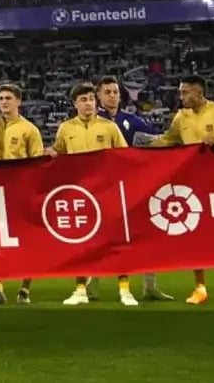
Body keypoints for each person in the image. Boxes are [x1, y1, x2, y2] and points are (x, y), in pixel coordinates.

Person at [152, 74, 214, 307]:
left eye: (185, 92)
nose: (181, 96)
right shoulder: (181, 117)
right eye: (180, 92)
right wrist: (138, 150)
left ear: (199, 92)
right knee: (196, 237)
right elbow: (169, 140)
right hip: (193, 184)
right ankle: (200, 288)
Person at [49, 83, 138, 308]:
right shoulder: (66, 128)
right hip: (80, 193)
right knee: (80, 244)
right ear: (75, 104)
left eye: (90, 99)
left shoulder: (109, 127)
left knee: (116, 241)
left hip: (107, 191)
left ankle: (125, 290)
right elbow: (59, 154)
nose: (88, 103)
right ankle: (80, 290)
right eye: (83, 100)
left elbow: (125, 156)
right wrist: (50, 153)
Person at [95, 76, 171, 302]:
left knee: (144, 234)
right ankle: (90, 284)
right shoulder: (91, 121)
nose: (112, 96)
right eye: (107, 92)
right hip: (102, 187)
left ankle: (150, 286)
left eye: (115, 92)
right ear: (99, 95)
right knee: (100, 237)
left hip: (131, 187)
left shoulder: (131, 120)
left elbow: (157, 140)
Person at [0, 83, 44, 305]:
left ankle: (24, 290)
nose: (3, 101)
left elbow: (38, 163)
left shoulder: (29, 130)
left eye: (8, 98)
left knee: (27, 242)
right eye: (0, 98)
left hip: (21, 191)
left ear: (18, 101)